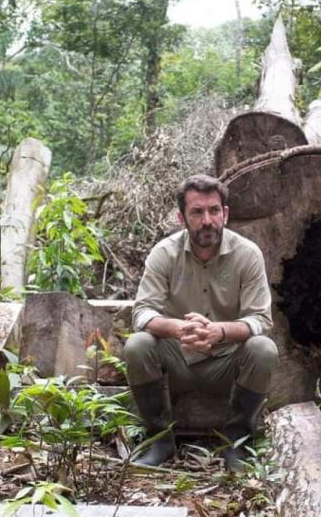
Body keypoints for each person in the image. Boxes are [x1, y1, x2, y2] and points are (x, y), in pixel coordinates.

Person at [126, 174, 278, 472]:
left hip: (227, 362)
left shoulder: (247, 255)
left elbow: (261, 319)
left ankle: (238, 440)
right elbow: (142, 312)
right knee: (138, 345)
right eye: (197, 212)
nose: (207, 220)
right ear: (182, 218)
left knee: (263, 348)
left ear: (226, 214)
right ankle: (159, 439)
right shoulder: (164, 254)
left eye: (214, 210)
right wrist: (177, 329)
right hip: (176, 360)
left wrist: (219, 331)